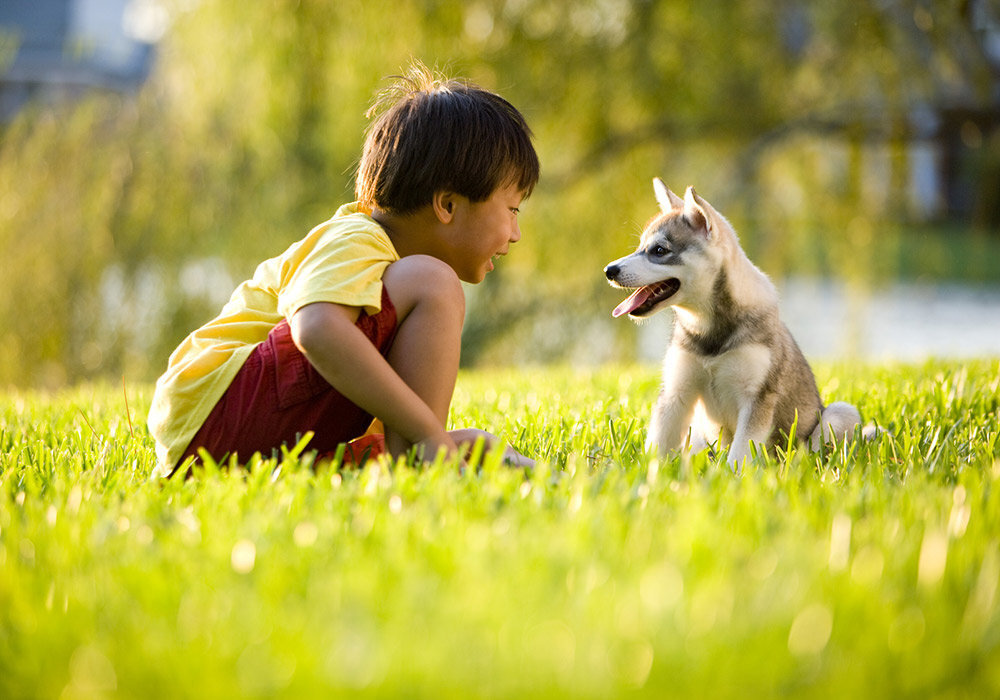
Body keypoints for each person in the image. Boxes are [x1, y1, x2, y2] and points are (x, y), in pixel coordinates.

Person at [147, 62, 540, 478]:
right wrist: (429, 435)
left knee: (467, 443)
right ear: (446, 205)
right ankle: (426, 462)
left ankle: (419, 464)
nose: (515, 233)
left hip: (224, 445)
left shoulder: (388, 283)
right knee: (435, 283)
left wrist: (434, 439)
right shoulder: (359, 237)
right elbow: (315, 328)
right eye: (512, 210)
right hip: (216, 414)